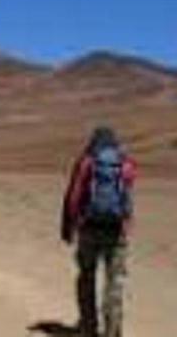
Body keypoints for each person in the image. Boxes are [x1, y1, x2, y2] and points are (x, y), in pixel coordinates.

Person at [62, 126, 136, 337]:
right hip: (116, 231)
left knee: (86, 277)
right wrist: (126, 223)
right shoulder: (124, 163)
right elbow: (127, 195)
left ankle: (88, 326)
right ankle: (113, 330)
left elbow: (74, 197)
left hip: (89, 229)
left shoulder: (87, 162)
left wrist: (70, 226)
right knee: (115, 282)